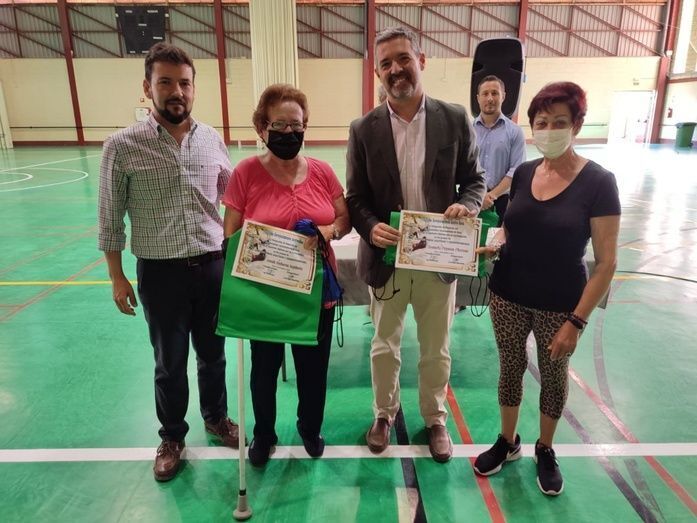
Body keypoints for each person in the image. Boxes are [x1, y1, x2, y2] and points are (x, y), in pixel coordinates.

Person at [98, 43, 240, 482]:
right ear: (148, 87)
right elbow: (109, 217)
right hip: (160, 273)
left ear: (194, 87)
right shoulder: (122, 146)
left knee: (213, 356)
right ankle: (173, 437)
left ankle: (217, 418)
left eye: (184, 83)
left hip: (212, 266)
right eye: (165, 82)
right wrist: (117, 277)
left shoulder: (212, 139)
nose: (176, 91)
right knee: (170, 361)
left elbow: (232, 201)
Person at [473, 82, 621, 495]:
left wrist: (577, 321)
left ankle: (545, 447)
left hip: (560, 304)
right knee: (510, 367)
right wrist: (496, 242)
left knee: (554, 376)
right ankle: (507, 441)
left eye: (559, 122)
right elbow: (511, 226)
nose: (549, 130)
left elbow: (607, 263)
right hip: (507, 294)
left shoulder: (599, 182)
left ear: (577, 125)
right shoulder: (523, 174)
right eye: (542, 122)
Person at [346, 26, 486, 463]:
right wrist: (370, 228)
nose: (395, 69)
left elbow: (475, 180)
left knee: (435, 348)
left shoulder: (454, 118)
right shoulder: (363, 129)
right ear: (377, 72)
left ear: (421, 61)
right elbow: (355, 198)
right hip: (387, 259)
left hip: (438, 259)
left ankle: (435, 418)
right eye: (385, 63)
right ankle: (383, 414)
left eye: (403, 58)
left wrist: (467, 204)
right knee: (383, 345)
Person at [222, 84, 350, 466]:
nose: (289, 132)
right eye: (279, 124)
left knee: (314, 370)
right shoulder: (245, 173)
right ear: (262, 127)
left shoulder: (323, 172)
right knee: (264, 371)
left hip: (316, 294)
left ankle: (310, 428)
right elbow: (230, 233)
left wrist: (328, 231)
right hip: (265, 295)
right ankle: (264, 434)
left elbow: (343, 218)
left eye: (296, 125)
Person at [474, 75, 526, 226]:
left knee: (498, 240)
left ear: (503, 96)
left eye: (495, 93)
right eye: (485, 93)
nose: (490, 98)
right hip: (473, 198)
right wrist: (478, 195)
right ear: (478, 98)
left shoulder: (515, 132)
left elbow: (516, 170)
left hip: (502, 201)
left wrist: (492, 195)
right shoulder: (468, 130)